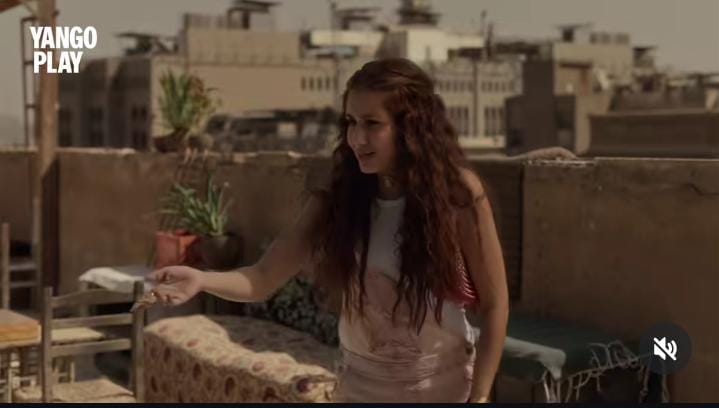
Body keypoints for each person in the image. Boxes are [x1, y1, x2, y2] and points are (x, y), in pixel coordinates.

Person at [148, 58, 509, 403]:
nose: (357, 138)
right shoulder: (337, 201)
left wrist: (479, 396)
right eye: (351, 122)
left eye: (372, 124)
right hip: (360, 388)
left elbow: (495, 304)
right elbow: (262, 278)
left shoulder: (456, 194)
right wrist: (201, 279)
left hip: (441, 388)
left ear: (411, 128)